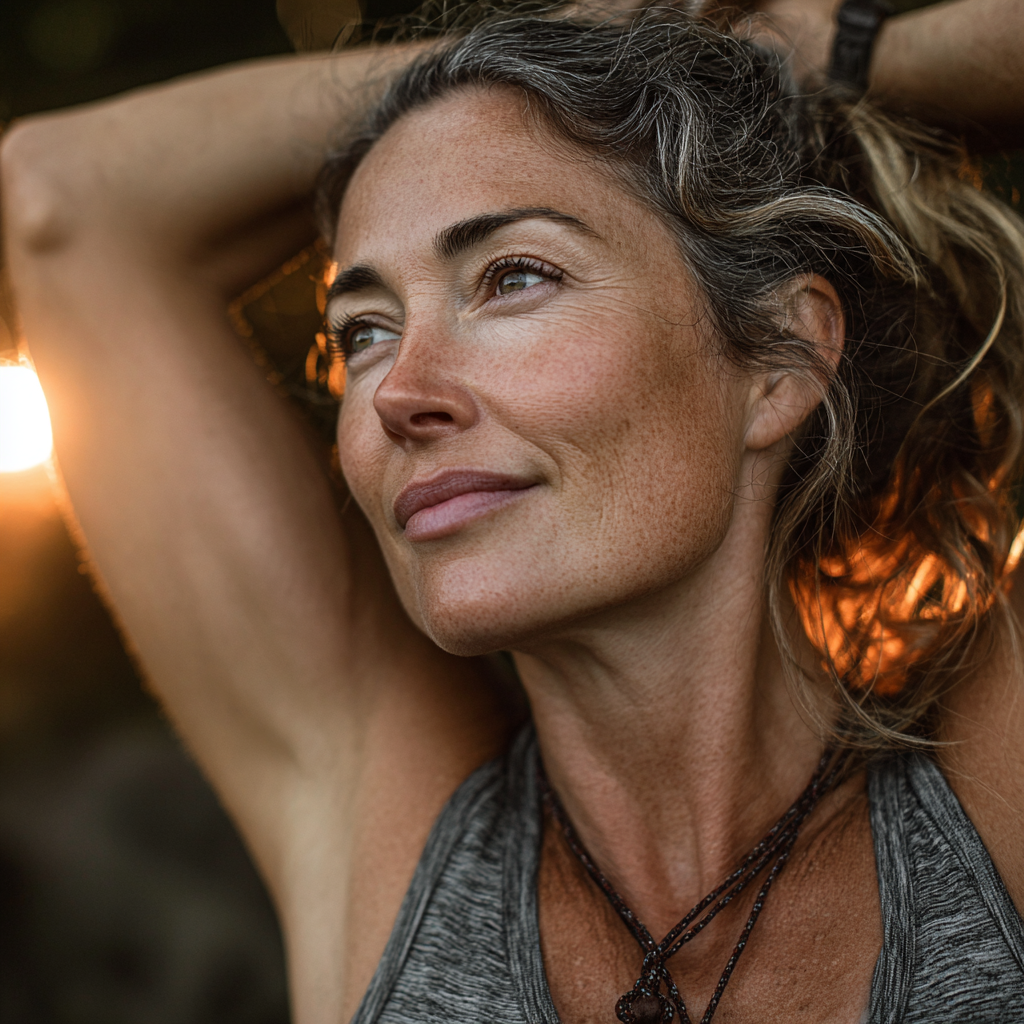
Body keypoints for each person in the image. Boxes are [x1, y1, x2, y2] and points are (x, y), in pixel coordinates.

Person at [2, 1, 1024, 1021]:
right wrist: (600, 37)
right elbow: (62, 200)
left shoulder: (988, 800)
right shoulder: (385, 829)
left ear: (781, 358)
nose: (400, 392)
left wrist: (837, 52)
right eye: (362, 330)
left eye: (512, 276)